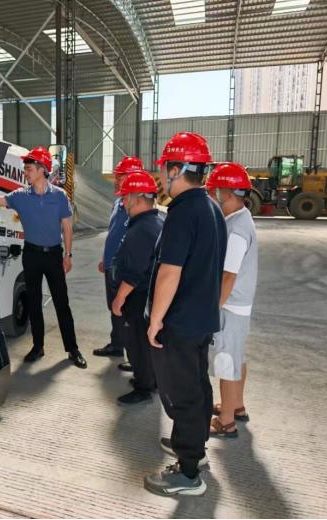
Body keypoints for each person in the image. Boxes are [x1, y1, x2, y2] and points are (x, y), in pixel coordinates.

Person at [143, 132, 227, 497]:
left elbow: (169, 272)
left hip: (180, 320)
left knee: (182, 393)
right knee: (198, 386)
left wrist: (155, 320)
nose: (161, 175)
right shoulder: (210, 207)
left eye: (165, 168)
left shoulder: (182, 212)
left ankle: (188, 473)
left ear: (177, 169)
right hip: (201, 317)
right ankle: (193, 446)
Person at [0, 146, 87, 369]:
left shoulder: (59, 196)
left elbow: (67, 227)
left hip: (54, 255)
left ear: (42, 169)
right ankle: (38, 346)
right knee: (34, 302)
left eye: (29, 169)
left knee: (61, 303)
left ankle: (73, 349)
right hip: (31, 254)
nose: (25, 173)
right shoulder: (20, 196)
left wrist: (68, 255)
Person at [205, 162, 258, 437]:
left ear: (226, 192)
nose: (212, 195)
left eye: (214, 190)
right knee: (238, 357)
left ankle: (225, 422)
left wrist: (213, 308)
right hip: (239, 305)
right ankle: (235, 405)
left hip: (230, 305)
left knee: (226, 361)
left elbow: (228, 275)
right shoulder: (239, 218)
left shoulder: (236, 228)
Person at [110, 169, 164, 404]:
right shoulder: (155, 222)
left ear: (137, 198)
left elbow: (135, 272)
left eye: (125, 197)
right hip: (149, 295)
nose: (122, 202)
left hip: (138, 296)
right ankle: (151, 379)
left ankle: (144, 387)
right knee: (145, 343)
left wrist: (119, 298)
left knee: (138, 343)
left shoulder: (142, 229)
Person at [94, 157, 143, 363]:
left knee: (127, 310)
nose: (116, 180)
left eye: (120, 177)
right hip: (111, 265)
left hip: (124, 267)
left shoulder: (137, 205)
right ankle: (117, 344)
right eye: (116, 176)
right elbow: (114, 232)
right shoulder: (118, 202)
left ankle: (135, 356)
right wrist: (105, 258)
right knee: (113, 307)